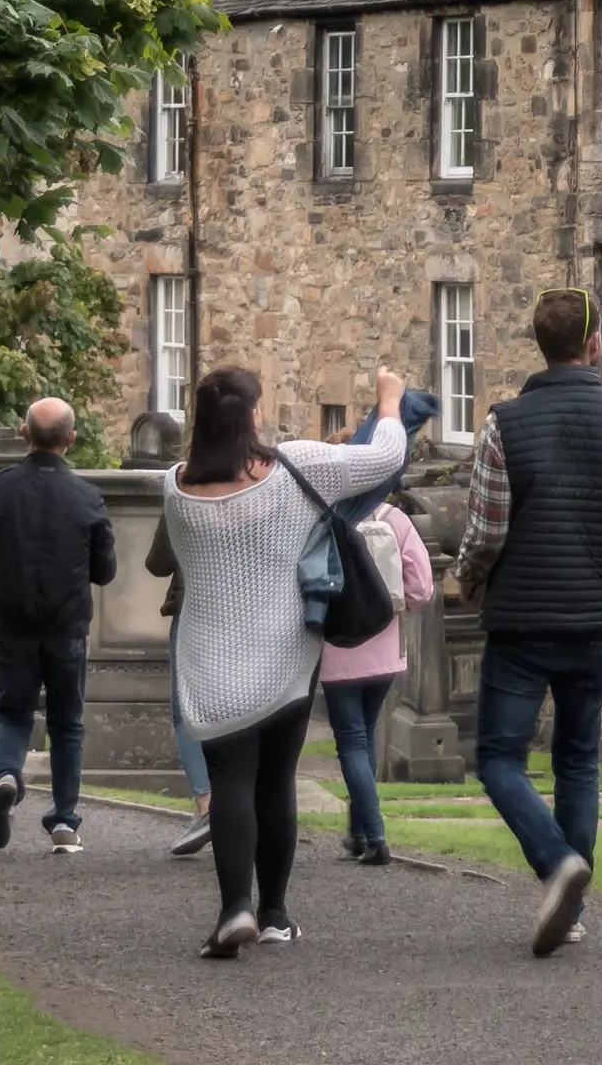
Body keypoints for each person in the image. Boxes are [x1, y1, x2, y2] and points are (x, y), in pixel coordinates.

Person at [447, 287, 602, 958]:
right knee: (578, 761)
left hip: (522, 624)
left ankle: (555, 864)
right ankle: (571, 912)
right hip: (599, 621)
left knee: (497, 758)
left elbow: (486, 532)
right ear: (594, 344)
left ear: (540, 345)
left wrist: (468, 581)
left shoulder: (502, 424)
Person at [161, 360, 407, 957]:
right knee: (276, 782)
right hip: (285, 655)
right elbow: (385, 458)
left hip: (209, 659)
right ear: (252, 414)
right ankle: (273, 912)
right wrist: (389, 400)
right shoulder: (297, 466)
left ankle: (233, 910)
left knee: (230, 782)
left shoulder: (172, 486)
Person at [0, 396, 114, 854]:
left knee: (12, 712)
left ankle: (6, 773)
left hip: (11, 623)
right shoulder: (87, 497)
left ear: (24, 434)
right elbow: (105, 572)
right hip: (66, 625)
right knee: (67, 724)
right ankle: (64, 822)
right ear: (71, 438)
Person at [318, 486, 434, 864]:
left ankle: (376, 835)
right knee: (365, 737)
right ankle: (358, 832)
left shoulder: (324, 521)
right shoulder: (395, 520)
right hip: (385, 649)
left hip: (339, 649)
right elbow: (422, 587)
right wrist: (392, 609)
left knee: (351, 743)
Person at [143, 516, 213, 860]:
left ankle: (206, 804)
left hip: (194, 609)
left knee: (186, 709)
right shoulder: (261, 481)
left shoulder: (186, 486)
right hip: (249, 609)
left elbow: (157, 563)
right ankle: (243, 806)